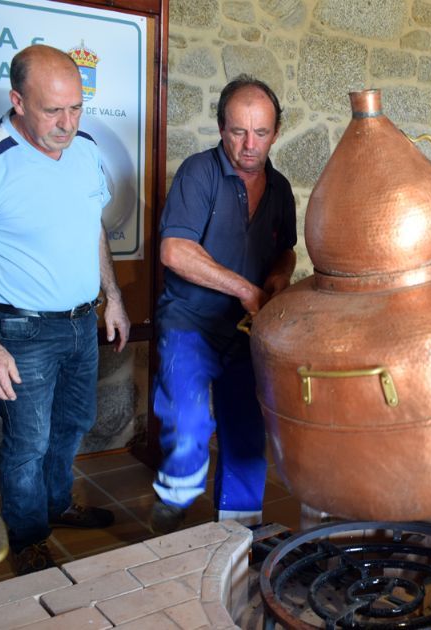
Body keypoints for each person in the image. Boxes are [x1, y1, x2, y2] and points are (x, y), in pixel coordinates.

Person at [0, 44, 130, 575]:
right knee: (28, 441)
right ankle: (27, 537)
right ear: (17, 101)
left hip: (80, 323)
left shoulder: (86, 150)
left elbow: (93, 227)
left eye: (76, 109)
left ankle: (56, 503)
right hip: (19, 330)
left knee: (74, 422)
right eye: (52, 111)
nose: (67, 125)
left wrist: (111, 297)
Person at [149, 75, 296, 534]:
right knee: (188, 420)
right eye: (238, 131)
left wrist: (275, 281)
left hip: (247, 331)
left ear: (276, 132)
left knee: (248, 431)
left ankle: (238, 531)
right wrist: (247, 290)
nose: (250, 145)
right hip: (190, 322)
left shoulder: (280, 189)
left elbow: (285, 249)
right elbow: (174, 250)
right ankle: (174, 503)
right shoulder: (199, 172)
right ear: (220, 129)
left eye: (262, 132)